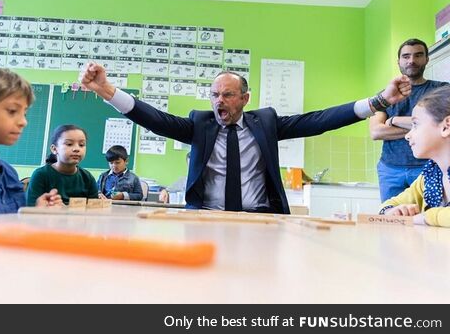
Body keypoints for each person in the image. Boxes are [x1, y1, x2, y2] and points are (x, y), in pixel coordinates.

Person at [81, 62, 411, 214]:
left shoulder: (265, 123)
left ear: (244, 98)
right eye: (214, 95)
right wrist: (108, 91)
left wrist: (379, 101)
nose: (218, 101)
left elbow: (318, 120)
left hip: (262, 219)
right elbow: (156, 120)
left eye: (227, 95)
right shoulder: (200, 124)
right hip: (207, 216)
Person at [0, 65, 62, 215]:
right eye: (12, 111)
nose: (23, 122)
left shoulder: (8, 172)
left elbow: (14, 223)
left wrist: (35, 213)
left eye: (24, 113)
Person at [369, 38, 449, 202]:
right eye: (406, 56)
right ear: (398, 61)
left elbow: (443, 125)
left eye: (418, 55)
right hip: (389, 169)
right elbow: (376, 131)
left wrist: (394, 120)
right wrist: (425, 127)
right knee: (391, 215)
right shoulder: (384, 95)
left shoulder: (442, 90)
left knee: (429, 217)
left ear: (427, 59)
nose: (411, 60)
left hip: (428, 167)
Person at [379, 86, 450, 227]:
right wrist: (394, 211)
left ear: (446, 127)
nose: (407, 135)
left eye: (415, 125)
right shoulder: (430, 176)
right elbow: (389, 204)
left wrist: (424, 218)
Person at [26, 124, 99, 206]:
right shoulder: (41, 175)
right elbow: (30, 207)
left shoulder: (87, 177)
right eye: (69, 144)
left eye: (81, 145)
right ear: (54, 149)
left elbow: (94, 209)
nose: (76, 149)